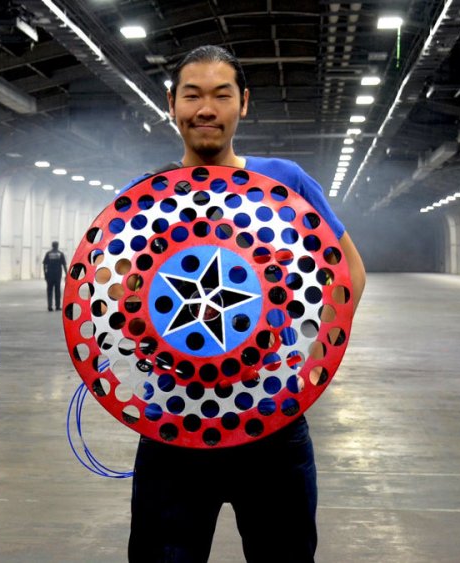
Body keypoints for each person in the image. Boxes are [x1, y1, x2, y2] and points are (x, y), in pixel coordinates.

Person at [127, 45, 367, 562]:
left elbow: (347, 273)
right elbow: (118, 297)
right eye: (192, 95)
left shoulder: (285, 182)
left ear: (244, 104)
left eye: (221, 95)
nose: (205, 109)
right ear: (172, 104)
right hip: (174, 423)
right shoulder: (146, 196)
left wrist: (310, 371)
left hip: (272, 423)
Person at [42, 240, 67, 311]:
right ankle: (57, 306)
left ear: (52, 245)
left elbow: (44, 265)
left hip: (49, 275)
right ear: (57, 246)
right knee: (57, 290)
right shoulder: (60, 254)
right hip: (57, 275)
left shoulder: (48, 253)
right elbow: (64, 265)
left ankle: (49, 306)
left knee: (49, 290)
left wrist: (45, 274)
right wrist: (66, 274)